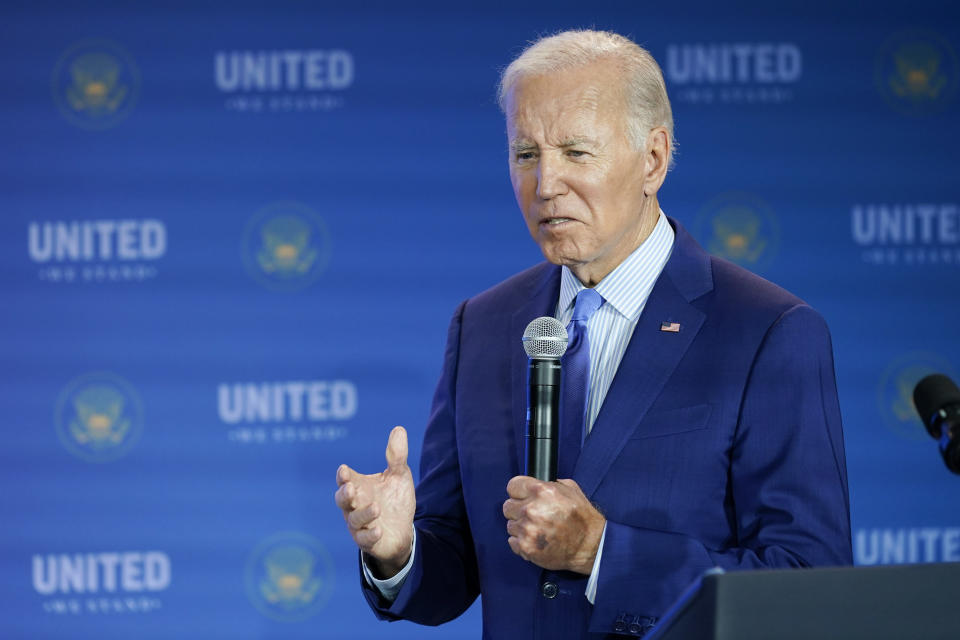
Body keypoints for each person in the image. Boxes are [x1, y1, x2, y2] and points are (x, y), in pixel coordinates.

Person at [334, 29, 851, 639]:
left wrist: (602, 552)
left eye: (576, 153)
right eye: (526, 154)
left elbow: (807, 584)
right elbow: (455, 570)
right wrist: (397, 552)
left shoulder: (768, 332)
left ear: (653, 160)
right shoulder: (482, 325)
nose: (545, 184)